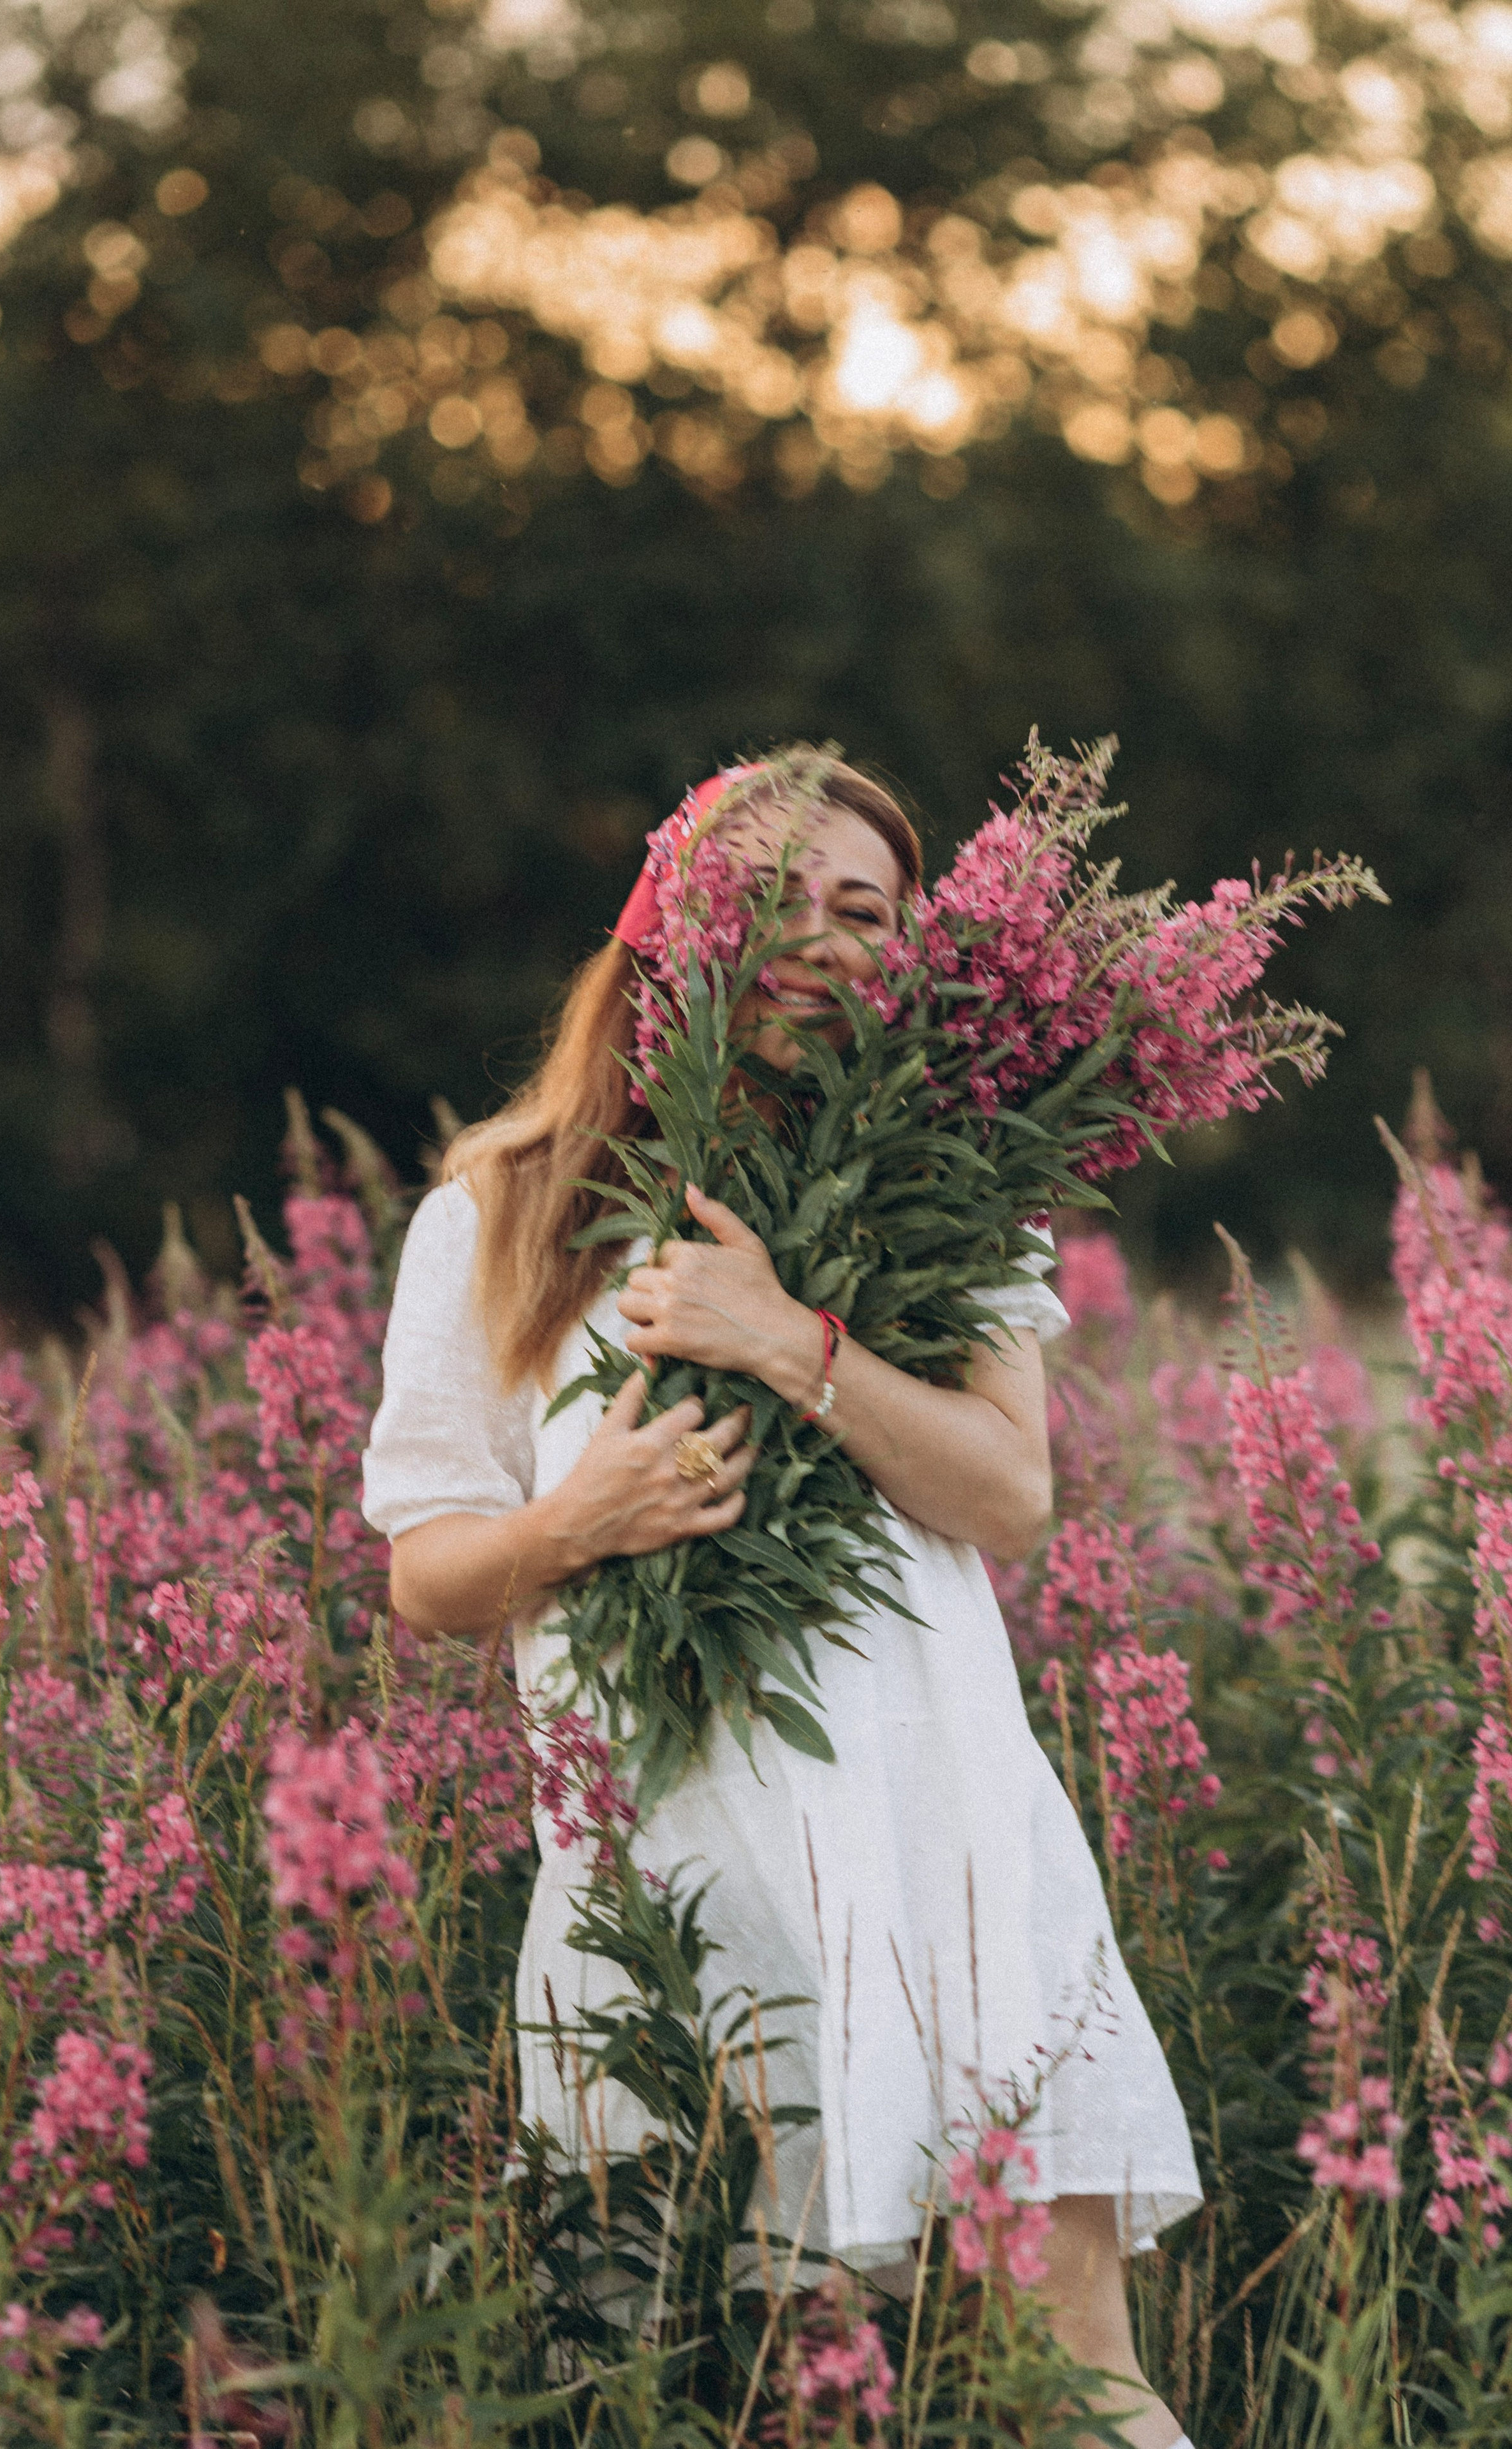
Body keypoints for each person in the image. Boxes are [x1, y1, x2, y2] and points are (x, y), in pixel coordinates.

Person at [362, 756, 1203, 2449]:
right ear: (676, 924)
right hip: (656, 1874)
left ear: (910, 953)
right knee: (664, 2384)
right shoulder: (500, 1211)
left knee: (1076, 2380)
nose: (815, 941)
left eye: (862, 910)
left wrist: (783, 1342)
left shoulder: (956, 1193)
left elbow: (1007, 1494)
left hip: (947, 1849)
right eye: (771, 901)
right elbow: (426, 1569)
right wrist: (576, 1521)